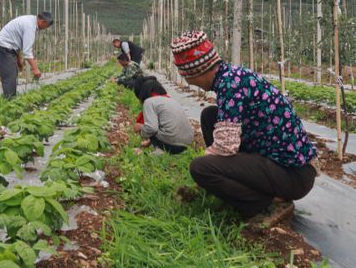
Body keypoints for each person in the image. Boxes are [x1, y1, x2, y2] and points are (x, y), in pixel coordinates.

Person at [170, 30, 318, 220]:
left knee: (201, 168)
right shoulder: (233, 76)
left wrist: (210, 167)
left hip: (292, 176)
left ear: (195, 72)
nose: (188, 81)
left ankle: (263, 205)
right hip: (279, 165)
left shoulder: (230, 85)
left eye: (185, 75)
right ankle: (241, 188)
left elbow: (225, 147)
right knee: (210, 116)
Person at [0, 12, 53, 98]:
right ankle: (9, 101)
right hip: (3, 46)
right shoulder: (30, 26)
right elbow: (27, 51)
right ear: (43, 22)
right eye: (47, 26)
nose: (45, 28)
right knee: (10, 75)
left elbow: (17, 42)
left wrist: (18, 60)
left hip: (7, 47)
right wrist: (35, 69)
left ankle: (10, 98)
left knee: (12, 73)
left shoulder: (30, 21)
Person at [133, 76, 193, 154]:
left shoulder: (149, 101)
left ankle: (159, 152)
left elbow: (152, 128)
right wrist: (149, 142)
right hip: (187, 144)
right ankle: (163, 150)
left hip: (172, 144)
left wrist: (140, 128)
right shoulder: (169, 100)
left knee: (149, 128)